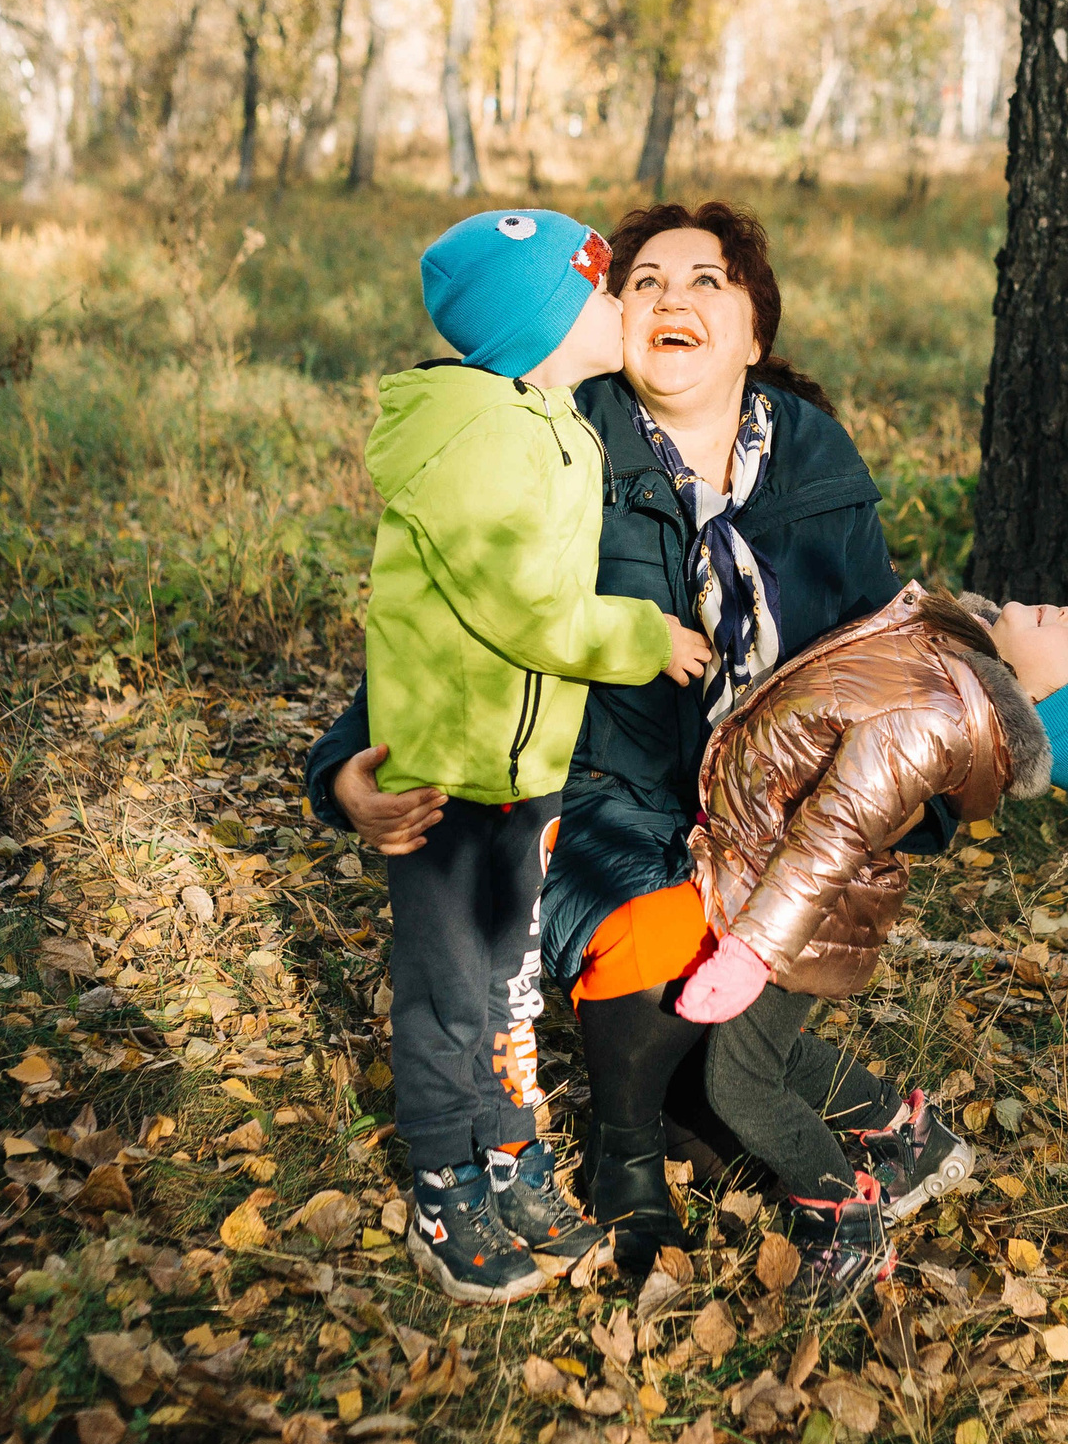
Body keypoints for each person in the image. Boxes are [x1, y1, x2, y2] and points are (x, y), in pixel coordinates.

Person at [307, 201, 945, 1269]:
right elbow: (456, 626)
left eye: (707, 281)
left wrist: (890, 814)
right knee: (654, 926)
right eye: (642, 281)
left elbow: (874, 661)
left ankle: (844, 1106)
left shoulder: (815, 463)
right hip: (597, 793)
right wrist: (342, 771)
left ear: (753, 330)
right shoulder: (549, 436)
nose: (669, 299)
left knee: (725, 1059)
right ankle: (623, 1150)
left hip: (772, 811)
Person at [364, 206, 714, 1305]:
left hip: (522, 768)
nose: (624, 308)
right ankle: (444, 1185)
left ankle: (506, 1157)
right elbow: (526, 608)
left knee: (509, 985)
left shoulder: (549, 418)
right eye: (602, 292)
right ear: (545, 323)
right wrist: (639, 636)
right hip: (445, 777)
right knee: (448, 991)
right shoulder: (482, 436)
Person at [671, 585, 1068, 1306]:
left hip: (799, 904)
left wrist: (753, 951)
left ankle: (844, 1213)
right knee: (762, 1054)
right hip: (775, 877)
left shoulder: (941, 717)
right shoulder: (960, 656)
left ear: (1048, 706)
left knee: (736, 1083)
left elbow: (836, 827)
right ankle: (906, 1137)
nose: (1067, 615)